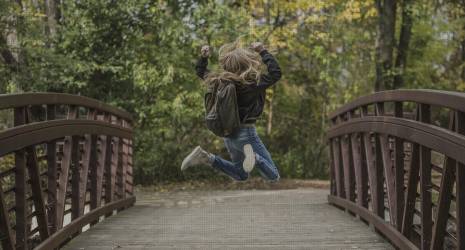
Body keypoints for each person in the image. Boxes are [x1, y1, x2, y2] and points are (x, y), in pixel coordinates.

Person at [180, 41, 282, 182]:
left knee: (241, 175)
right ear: (247, 63)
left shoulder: (220, 81)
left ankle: (206, 158)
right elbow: (276, 73)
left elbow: (200, 71)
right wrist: (262, 51)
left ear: (228, 65)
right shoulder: (253, 83)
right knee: (274, 176)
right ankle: (255, 157)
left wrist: (204, 58)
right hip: (246, 134)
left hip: (229, 134)